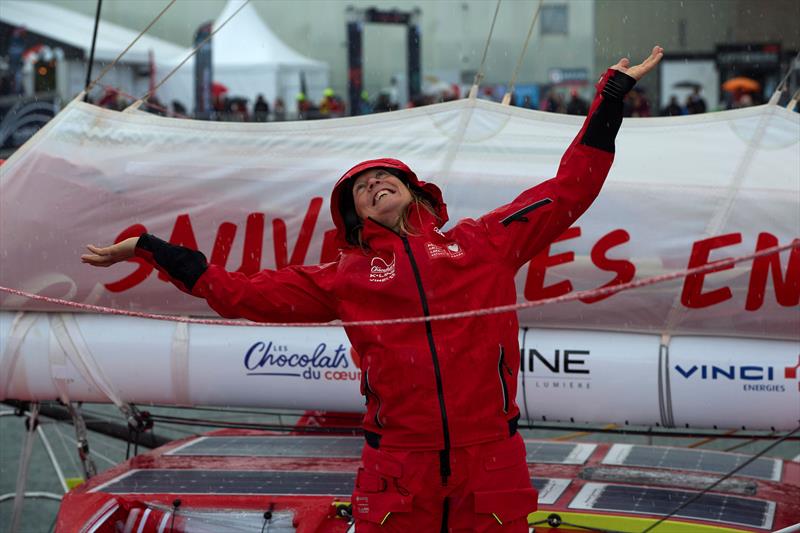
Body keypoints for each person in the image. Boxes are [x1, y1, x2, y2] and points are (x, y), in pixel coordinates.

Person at [82, 46, 663, 532]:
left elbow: (570, 189)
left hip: (491, 460)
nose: (374, 182)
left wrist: (610, 98)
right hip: (397, 469)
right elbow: (237, 293)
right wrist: (153, 249)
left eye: (385, 175)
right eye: (360, 187)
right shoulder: (343, 278)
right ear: (356, 221)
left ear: (416, 191)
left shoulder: (484, 241)